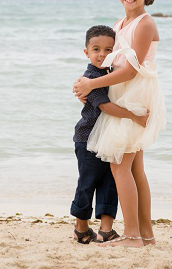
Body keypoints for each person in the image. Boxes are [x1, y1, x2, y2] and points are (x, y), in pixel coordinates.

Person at [73, 0, 166, 246]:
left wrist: (92, 86)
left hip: (134, 95)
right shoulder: (118, 24)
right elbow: (107, 67)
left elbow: (131, 71)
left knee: (120, 168)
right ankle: (146, 235)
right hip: (119, 94)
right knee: (135, 168)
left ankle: (133, 236)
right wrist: (87, 87)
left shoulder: (145, 23)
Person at [71, 25, 148, 244]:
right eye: (96, 49)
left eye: (108, 50)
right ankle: (81, 227)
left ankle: (106, 229)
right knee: (87, 183)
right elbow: (105, 107)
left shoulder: (109, 74)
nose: (102, 54)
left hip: (107, 138)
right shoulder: (91, 77)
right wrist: (133, 116)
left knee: (109, 183)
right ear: (86, 52)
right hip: (87, 138)